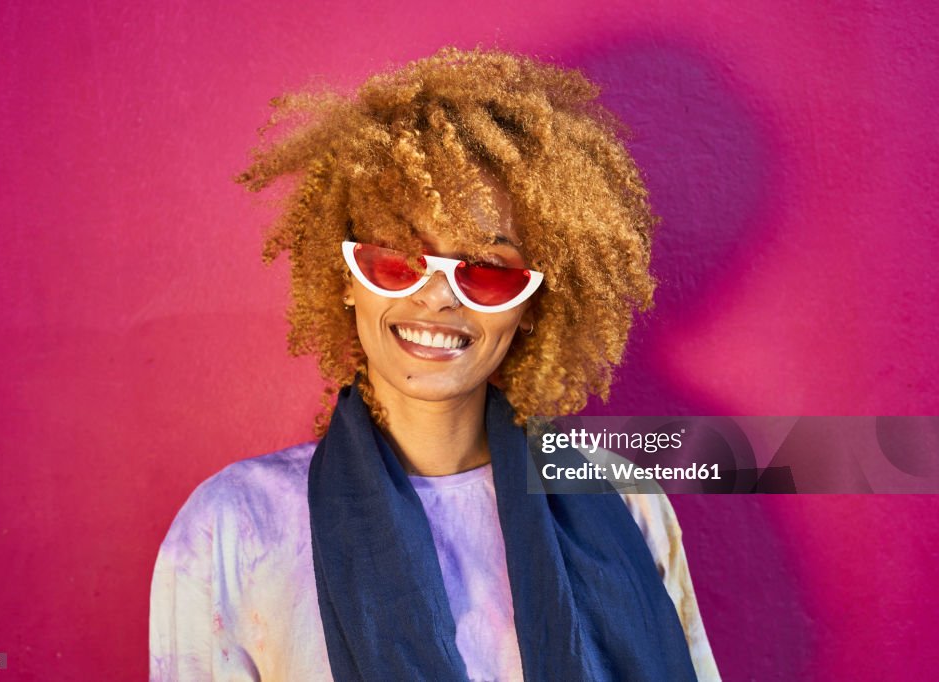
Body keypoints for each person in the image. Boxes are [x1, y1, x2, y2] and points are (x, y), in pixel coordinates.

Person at [149, 47, 719, 681]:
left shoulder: (621, 496)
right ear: (348, 277)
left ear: (531, 304)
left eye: (487, 270)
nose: (437, 296)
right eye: (396, 259)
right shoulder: (235, 526)